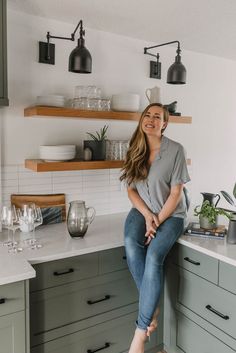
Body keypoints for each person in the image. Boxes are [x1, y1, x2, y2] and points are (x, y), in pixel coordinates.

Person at [120, 103, 190, 353]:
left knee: (154, 255)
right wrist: (147, 215)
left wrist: (156, 221)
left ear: (165, 124)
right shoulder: (135, 147)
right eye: (147, 115)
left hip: (171, 214)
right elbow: (130, 189)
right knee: (130, 241)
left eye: (157, 117)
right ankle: (153, 307)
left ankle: (140, 334)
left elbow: (175, 193)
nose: (150, 119)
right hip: (143, 210)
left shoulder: (176, 150)